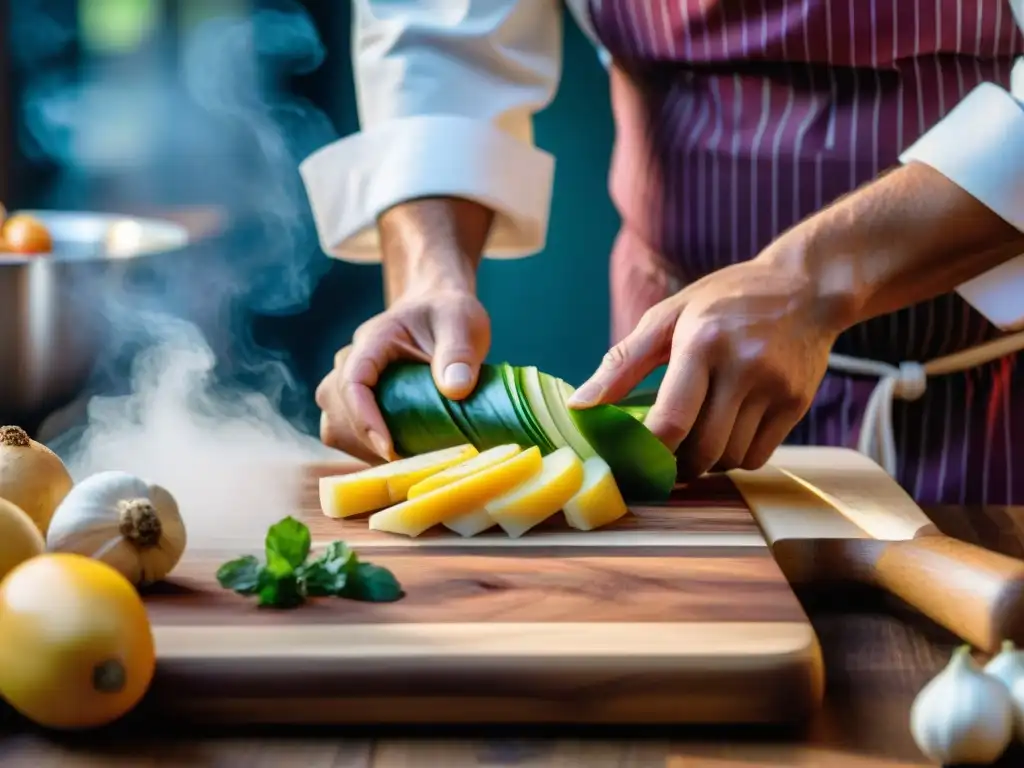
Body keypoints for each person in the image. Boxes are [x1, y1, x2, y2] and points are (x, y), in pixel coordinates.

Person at [302, 0, 1024, 506]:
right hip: (671, 392)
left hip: (993, 412)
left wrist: (816, 278)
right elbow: (440, 37)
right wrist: (430, 275)